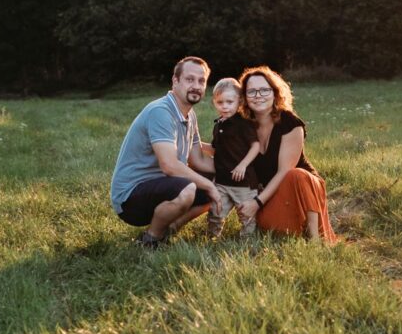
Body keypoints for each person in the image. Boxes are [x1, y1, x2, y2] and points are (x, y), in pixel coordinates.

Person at [110, 56, 221, 248]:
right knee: (188, 189)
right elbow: (169, 166)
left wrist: (232, 172)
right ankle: (151, 240)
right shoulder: (161, 111)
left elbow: (198, 160)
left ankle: (169, 230)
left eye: (201, 81)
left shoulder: (189, 115)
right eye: (189, 79)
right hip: (130, 197)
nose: (196, 85)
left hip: (159, 186)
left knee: (218, 183)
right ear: (175, 81)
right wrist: (210, 187)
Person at [233, 66, 337, 242]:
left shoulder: (290, 122)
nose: (258, 96)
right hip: (270, 195)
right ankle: (296, 229)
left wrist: (256, 203)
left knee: (295, 174)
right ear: (244, 97)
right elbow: (223, 155)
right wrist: (192, 146)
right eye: (252, 92)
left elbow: (284, 171)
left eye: (264, 90)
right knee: (271, 226)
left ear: (275, 93)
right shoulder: (243, 126)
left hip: (303, 188)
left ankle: (316, 240)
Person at [205, 77, 262, 238]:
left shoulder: (243, 123)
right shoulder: (218, 125)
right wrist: (196, 144)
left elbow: (256, 146)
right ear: (214, 102)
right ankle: (212, 237)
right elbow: (215, 150)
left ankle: (247, 240)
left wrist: (243, 165)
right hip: (222, 181)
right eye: (220, 102)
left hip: (243, 181)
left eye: (229, 102)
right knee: (215, 211)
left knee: (246, 216)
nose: (224, 106)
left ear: (239, 101)